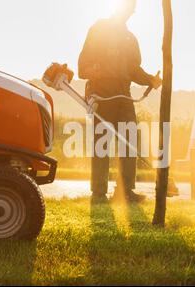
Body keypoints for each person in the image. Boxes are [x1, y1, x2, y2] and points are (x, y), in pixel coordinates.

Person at [78, 0, 162, 204]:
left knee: (129, 143)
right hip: (102, 95)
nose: (128, 12)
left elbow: (134, 70)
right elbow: (82, 66)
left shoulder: (130, 38)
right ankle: (98, 192)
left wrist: (150, 79)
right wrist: (93, 72)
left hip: (124, 97)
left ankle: (125, 191)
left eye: (131, 10)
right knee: (102, 145)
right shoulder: (98, 29)